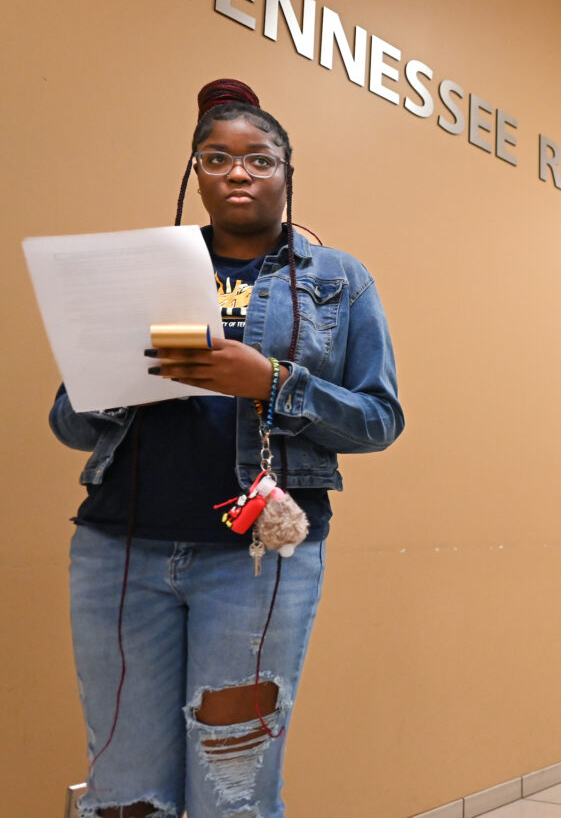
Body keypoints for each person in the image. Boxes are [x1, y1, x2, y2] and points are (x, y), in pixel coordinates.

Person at [51, 79, 404, 818]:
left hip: (258, 561)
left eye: (259, 158)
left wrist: (272, 382)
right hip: (119, 551)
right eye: (216, 158)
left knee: (232, 789)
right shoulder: (141, 272)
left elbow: (378, 421)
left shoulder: (338, 279)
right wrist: (124, 381)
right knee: (124, 792)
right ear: (196, 173)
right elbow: (69, 422)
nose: (238, 172)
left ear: (287, 173)